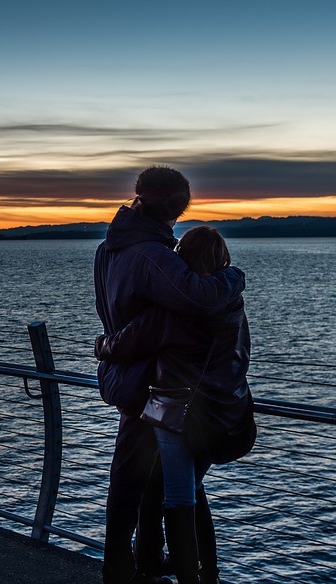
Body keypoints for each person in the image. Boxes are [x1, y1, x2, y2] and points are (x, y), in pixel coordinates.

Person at [94, 167, 245, 584]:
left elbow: (113, 318)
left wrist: (107, 348)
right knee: (156, 483)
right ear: (175, 206)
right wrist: (233, 275)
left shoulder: (109, 250)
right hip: (157, 385)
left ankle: (140, 559)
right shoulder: (153, 255)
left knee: (145, 478)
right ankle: (154, 568)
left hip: (135, 376)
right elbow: (197, 297)